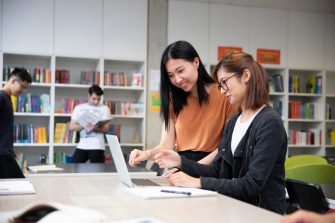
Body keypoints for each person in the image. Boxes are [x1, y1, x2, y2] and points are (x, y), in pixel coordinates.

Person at [154, 52, 287, 214]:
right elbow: (217, 171)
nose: (222, 91)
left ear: (245, 75)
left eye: (224, 82)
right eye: (220, 85)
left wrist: (197, 183)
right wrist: (181, 162)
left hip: (261, 214)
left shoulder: (269, 122)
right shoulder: (234, 122)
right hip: (235, 209)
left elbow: (252, 184)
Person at [129, 40, 238, 167]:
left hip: (213, 168)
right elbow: (166, 146)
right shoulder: (172, 99)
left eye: (180, 71)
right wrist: (146, 154)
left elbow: (226, 146)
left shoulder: (224, 95)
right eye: (171, 75)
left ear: (196, 63)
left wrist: (192, 169)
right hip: (182, 165)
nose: (177, 80)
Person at [0, 68, 32, 178]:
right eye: (22, 86)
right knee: (20, 185)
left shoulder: (7, 98)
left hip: (6, 154)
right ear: (13, 81)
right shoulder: (1, 97)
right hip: (2, 155)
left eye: (25, 88)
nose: (23, 90)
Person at [70, 85, 111, 163]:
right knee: (74, 167)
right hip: (82, 145)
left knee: (98, 172)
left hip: (97, 146)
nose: (96, 102)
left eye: (98, 99)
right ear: (89, 95)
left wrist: (95, 128)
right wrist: (84, 124)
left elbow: (106, 128)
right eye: (94, 99)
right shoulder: (79, 108)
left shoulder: (104, 109)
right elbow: (72, 127)